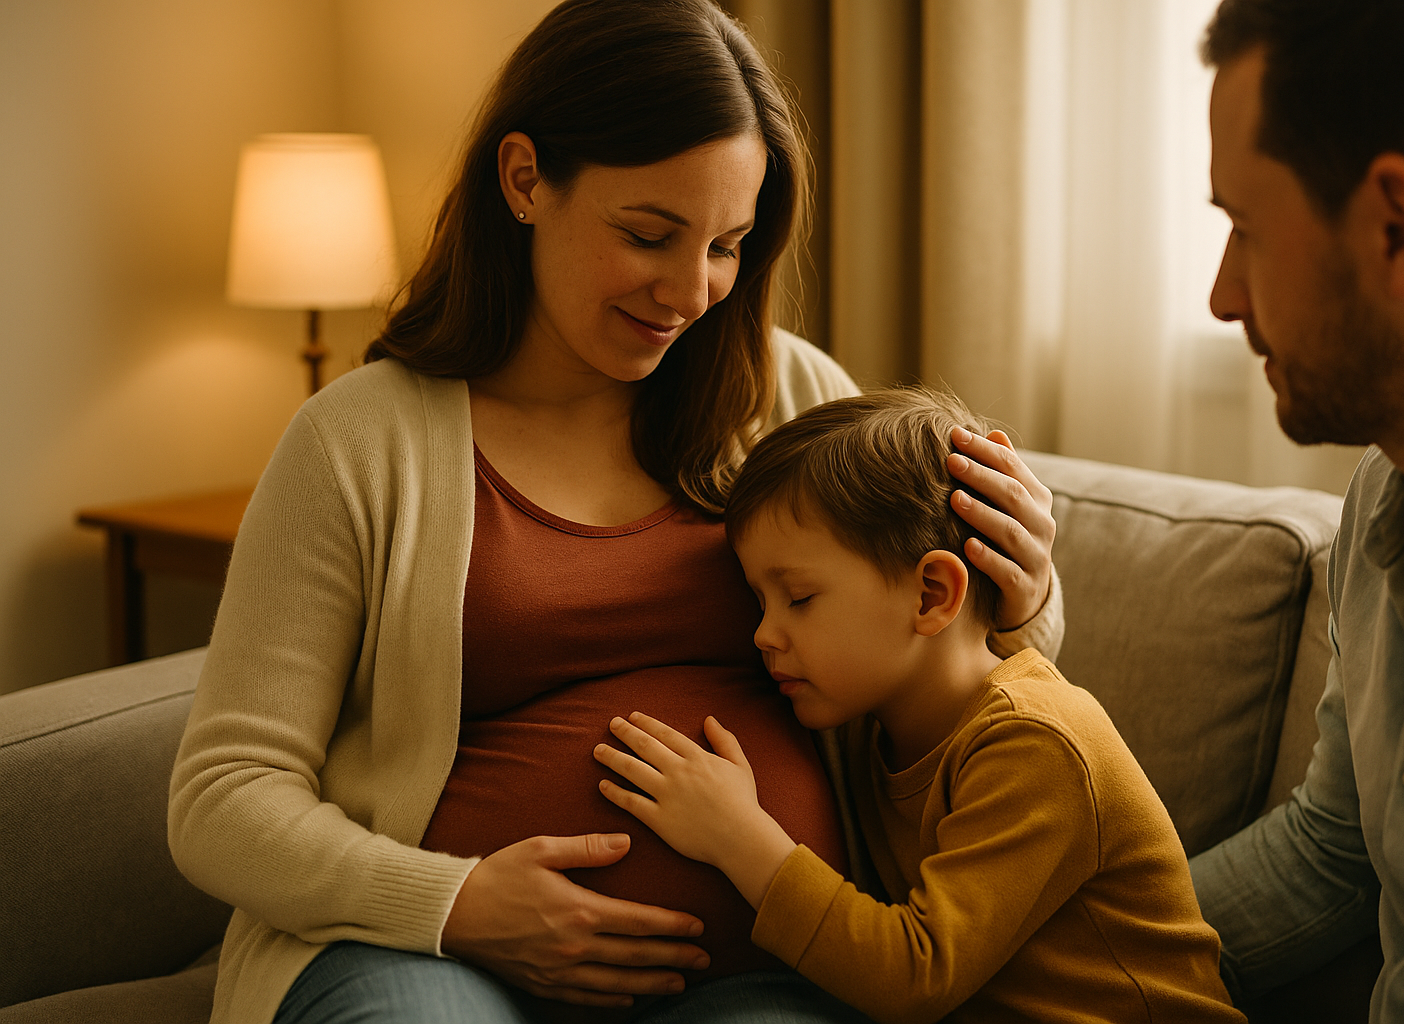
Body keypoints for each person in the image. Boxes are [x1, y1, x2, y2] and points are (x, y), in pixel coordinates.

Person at [167, 3, 1064, 1023]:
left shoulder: (792, 398)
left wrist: (1022, 595)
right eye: (650, 233)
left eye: (727, 245)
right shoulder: (355, 443)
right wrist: (456, 902)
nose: (691, 292)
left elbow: (962, 673)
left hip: (753, 971)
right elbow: (223, 796)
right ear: (524, 180)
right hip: (425, 957)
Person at [590, 389, 1243, 1024]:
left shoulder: (1034, 740)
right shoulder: (879, 724)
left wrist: (738, 836)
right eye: (760, 603)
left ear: (932, 594)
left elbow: (916, 975)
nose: (763, 633)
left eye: (799, 598)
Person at [1188, 1, 1404, 1020]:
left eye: (1245, 229)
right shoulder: (1389, 495)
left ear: (1398, 228)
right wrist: (1019, 947)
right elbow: (1333, 852)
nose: (1221, 295)